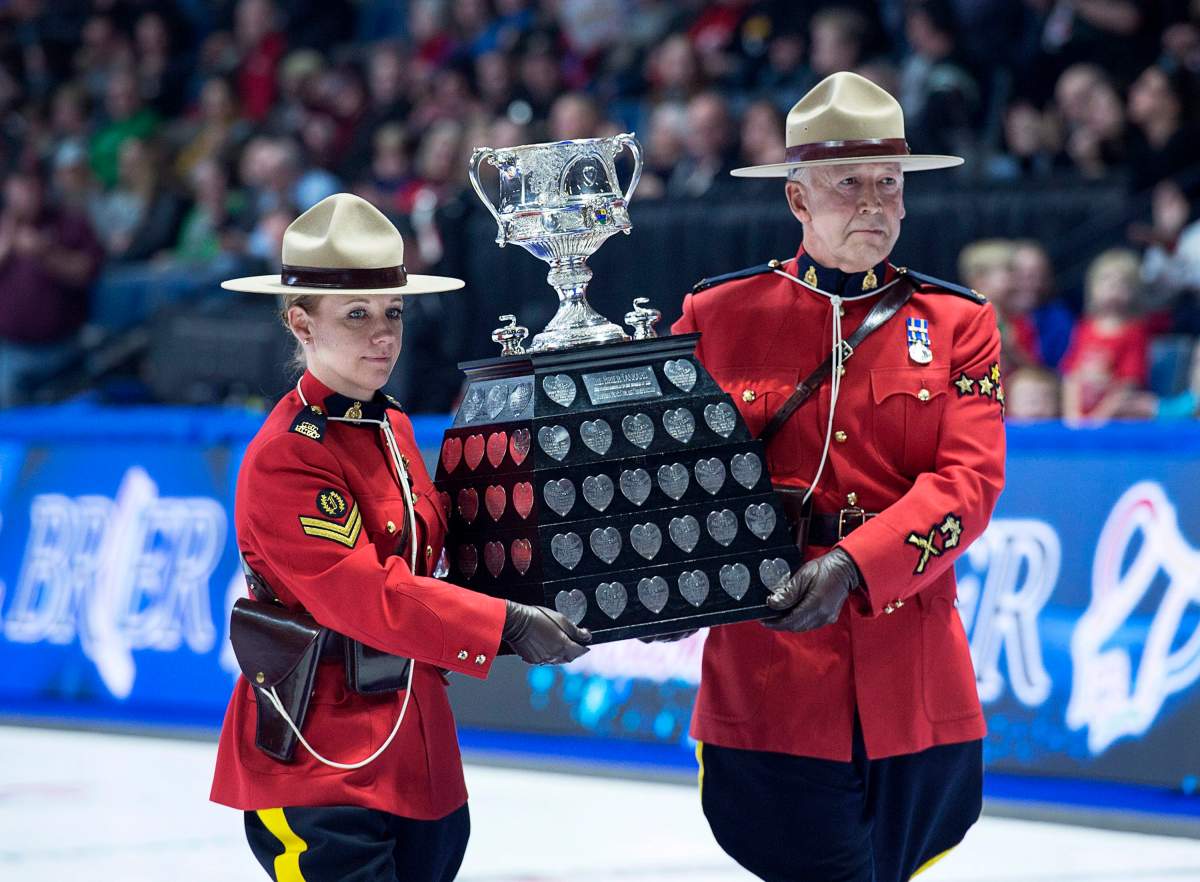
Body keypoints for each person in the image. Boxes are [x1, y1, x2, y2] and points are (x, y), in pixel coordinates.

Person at [671, 72, 1005, 882]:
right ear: (796, 201)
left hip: (915, 679)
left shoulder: (958, 323)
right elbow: (674, 478)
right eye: (847, 183)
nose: (873, 203)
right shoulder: (718, 316)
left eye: (888, 183)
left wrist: (857, 563)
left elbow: (970, 483)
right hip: (771, 672)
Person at [211, 193, 590, 882]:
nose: (383, 336)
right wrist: (503, 624)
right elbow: (362, 592)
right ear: (301, 322)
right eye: (357, 316)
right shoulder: (287, 453)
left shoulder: (390, 423)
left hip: (415, 748)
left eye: (393, 313)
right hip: (320, 752)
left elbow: (455, 545)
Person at [1060, 248, 1150, 424]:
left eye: (1122, 283)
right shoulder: (1084, 328)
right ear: (1092, 287)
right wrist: (1071, 415)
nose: (1113, 288)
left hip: (1116, 417)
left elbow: (1128, 384)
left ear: (1134, 291)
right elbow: (1071, 377)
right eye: (1106, 280)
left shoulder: (1134, 332)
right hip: (1081, 415)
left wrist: (1099, 418)